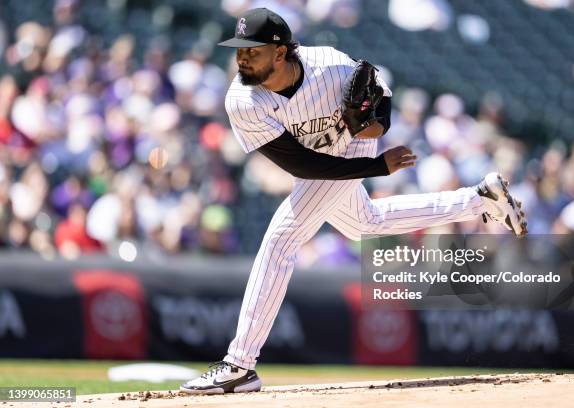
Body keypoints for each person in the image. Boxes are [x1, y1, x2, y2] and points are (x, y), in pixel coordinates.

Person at [181, 8, 527, 395]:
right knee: (367, 223)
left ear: (280, 52)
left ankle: (240, 364)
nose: (241, 58)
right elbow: (303, 165)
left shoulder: (329, 66)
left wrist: (377, 122)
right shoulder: (243, 101)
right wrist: (377, 167)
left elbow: (380, 97)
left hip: (352, 141)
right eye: (238, 50)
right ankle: (481, 199)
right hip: (324, 159)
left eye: (252, 50)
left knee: (281, 239)